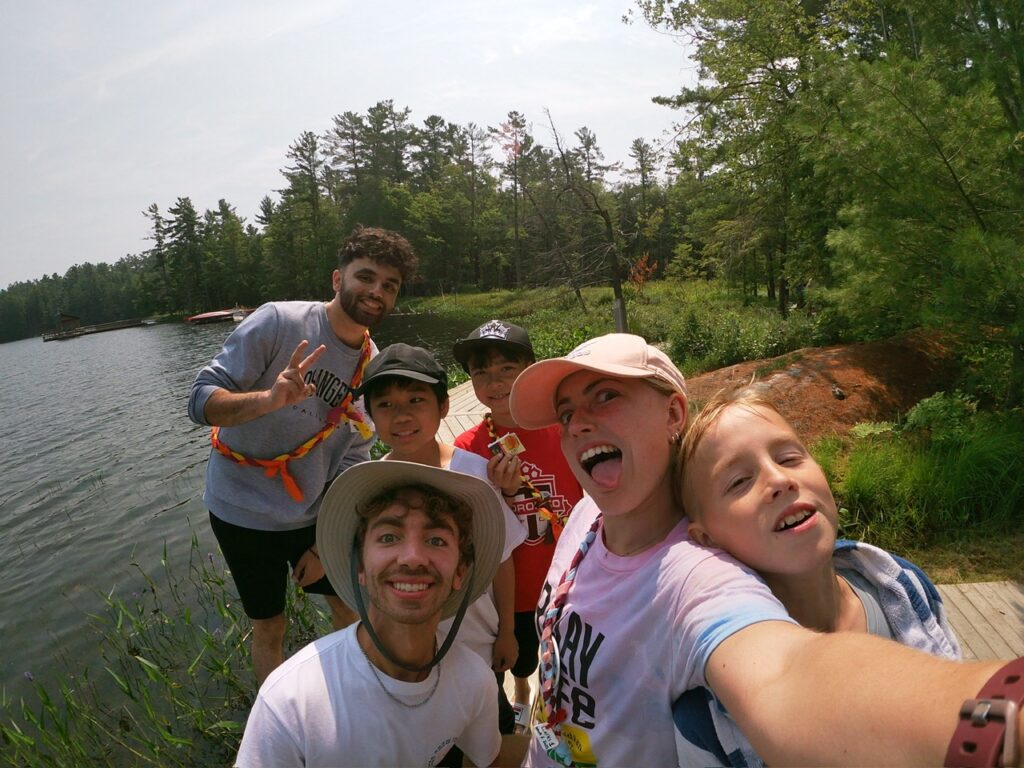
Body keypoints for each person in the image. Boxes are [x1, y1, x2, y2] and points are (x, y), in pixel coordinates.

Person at [508, 332, 1024, 767]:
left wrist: (1002, 716)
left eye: (605, 396)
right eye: (566, 413)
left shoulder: (696, 579)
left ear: (673, 413)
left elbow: (785, 676)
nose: (578, 424)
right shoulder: (588, 513)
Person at [673, 386, 961, 766]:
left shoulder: (905, 587)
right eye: (739, 481)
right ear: (706, 538)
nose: (779, 479)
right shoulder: (703, 722)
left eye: (789, 458)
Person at [187, 225, 418, 684]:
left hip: (313, 513)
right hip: (240, 511)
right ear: (337, 278)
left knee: (349, 607)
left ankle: (356, 696)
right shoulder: (279, 323)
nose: (376, 291)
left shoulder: (372, 365)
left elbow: (354, 456)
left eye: (389, 285)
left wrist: (320, 543)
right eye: (365, 277)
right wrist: (268, 400)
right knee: (269, 627)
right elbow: (199, 400)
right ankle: (273, 721)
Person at [235, 461, 505, 767]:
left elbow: (486, 760)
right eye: (389, 537)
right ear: (360, 568)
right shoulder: (290, 701)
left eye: (436, 540)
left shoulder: (474, 681)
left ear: (460, 572)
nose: (412, 558)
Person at [358, 342, 527, 740]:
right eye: (385, 405)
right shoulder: (370, 487)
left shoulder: (477, 474)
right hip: (407, 649)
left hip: (477, 639)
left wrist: (506, 630)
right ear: (370, 416)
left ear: (444, 406)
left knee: (490, 726)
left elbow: (501, 559)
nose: (402, 416)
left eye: (416, 400)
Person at [452, 320, 584, 727]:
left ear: (530, 370)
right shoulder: (467, 449)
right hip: (511, 590)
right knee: (521, 655)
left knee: (569, 658)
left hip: (570, 581)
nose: (494, 382)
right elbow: (476, 529)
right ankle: (523, 687)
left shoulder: (565, 430)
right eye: (481, 372)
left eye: (507, 369)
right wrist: (503, 495)